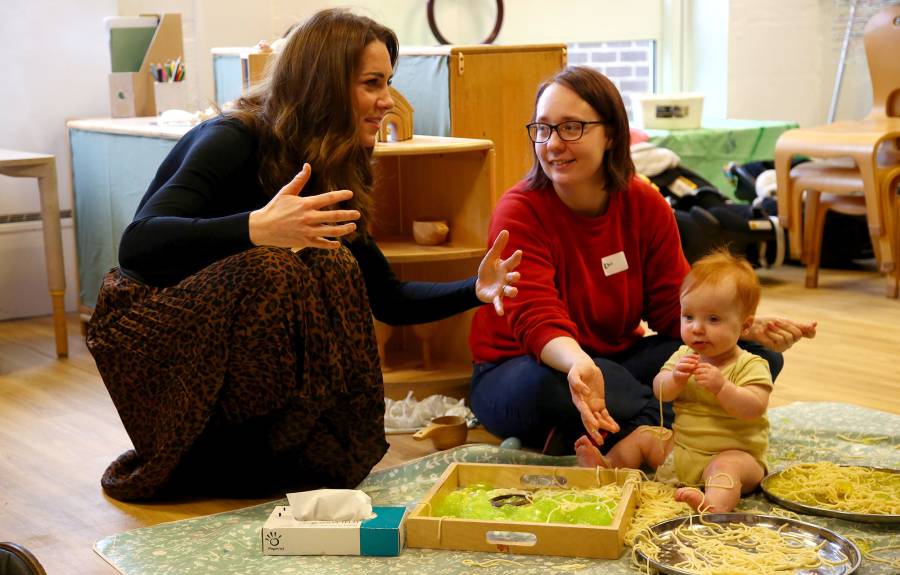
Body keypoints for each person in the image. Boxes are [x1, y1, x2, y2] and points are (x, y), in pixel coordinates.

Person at [86, 8, 522, 502]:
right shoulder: (232, 137)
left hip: (223, 330)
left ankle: (277, 455)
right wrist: (256, 228)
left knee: (332, 264)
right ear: (325, 85)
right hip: (144, 325)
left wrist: (475, 288)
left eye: (388, 83)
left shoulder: (330, 160)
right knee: (272, 267)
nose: (388, 101)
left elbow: (386, 296)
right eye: (372, 84)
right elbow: (139, 244)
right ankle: (218, 458)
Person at [467, 66, 815, 458]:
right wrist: (581, 365)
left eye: (571, 128)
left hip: (615, 361)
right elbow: (537, 320)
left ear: (611, 133)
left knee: (757, 359)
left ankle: (626, 431)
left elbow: (673, 308)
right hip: (527, 368)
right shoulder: (520, 211)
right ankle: (671, 432)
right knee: (566, 385)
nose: (552, 143)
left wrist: (737, 329)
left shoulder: (643, 203)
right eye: (543, 128)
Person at [575, 249, 772, 513]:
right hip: (681, 450)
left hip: (736, 454)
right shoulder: (683, 355)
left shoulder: (750, 364)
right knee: (645, 436)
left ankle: (713, 506)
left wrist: (723, 388)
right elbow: (660, 390)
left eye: (713, 319)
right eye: (688, 317)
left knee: (726, 469)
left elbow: (754, 407)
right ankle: (609, 467)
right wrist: (675, 379)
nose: (697, 328)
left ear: (745, 326)